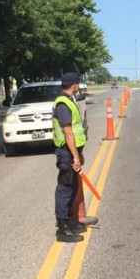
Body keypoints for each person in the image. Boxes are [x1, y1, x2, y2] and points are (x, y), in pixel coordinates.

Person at [52, 71, 98, 242]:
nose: (79, 85)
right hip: (66, 153)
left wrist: (80, 153)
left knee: (71, 188)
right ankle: (62, 229)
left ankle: (71, 221)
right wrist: (75, 157)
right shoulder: (63, 103)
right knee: (64, 189)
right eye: (78, 83)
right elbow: (68, 132)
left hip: (72, 151)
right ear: (74, 85)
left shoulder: (69, 100)